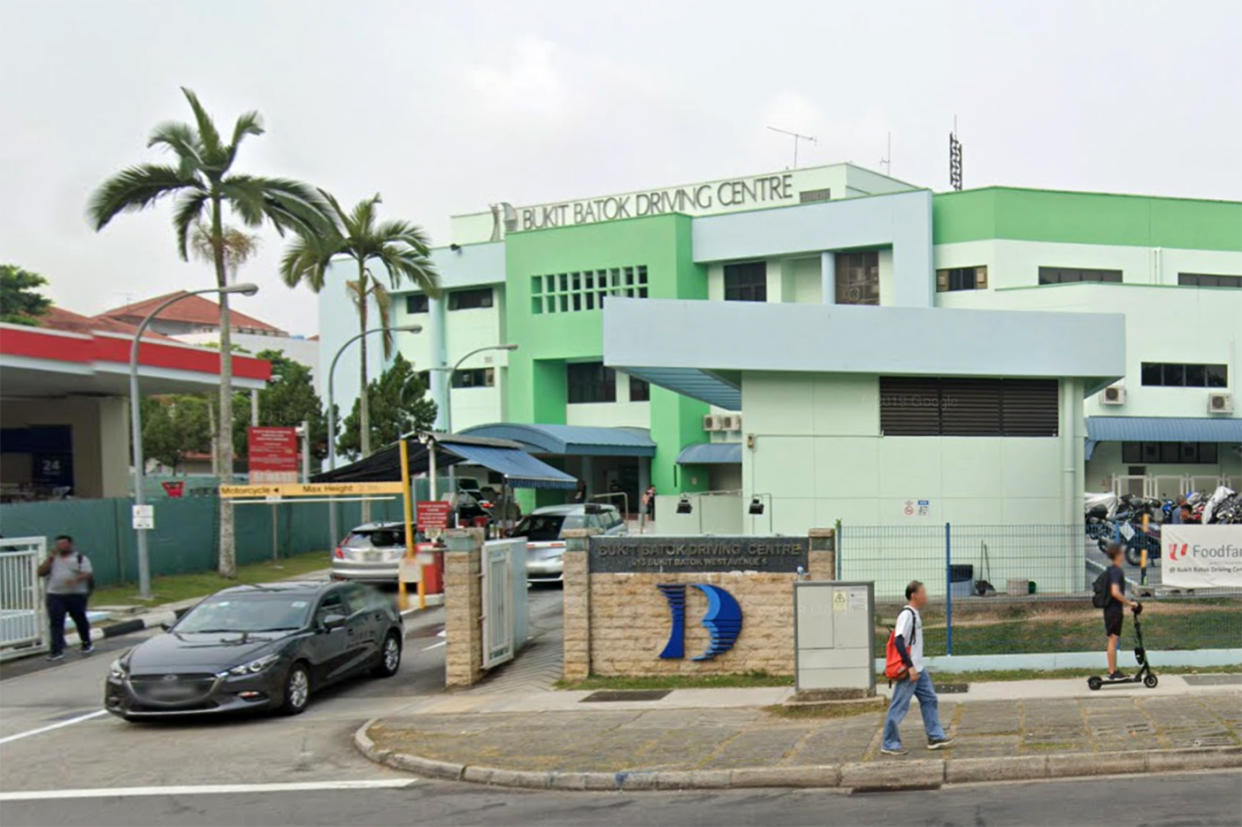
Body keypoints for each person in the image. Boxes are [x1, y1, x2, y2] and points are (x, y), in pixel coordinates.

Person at [881, 580, 952, 756]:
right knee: (898, 707)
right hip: (909, 671)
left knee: (930, 699)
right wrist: (910, 667)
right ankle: (889, 743)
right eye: (923, 592)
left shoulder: (915, 614)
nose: (926, 596)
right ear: (914, 595)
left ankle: (935, 736)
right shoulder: (907, 615)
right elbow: (899, 640)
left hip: (919, 670)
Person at [37, 534, 94, 661]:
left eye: (64, 544)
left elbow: (88, 574)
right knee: (56, 623)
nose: (61, 547)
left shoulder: (80, 558)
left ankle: (86, 642)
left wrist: (76, 580)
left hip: (76, 595)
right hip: (55, 595)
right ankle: (56, 651)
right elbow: (40, 572)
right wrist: (49, 559)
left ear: (70, 545)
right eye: (58, 544)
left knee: (80, 620)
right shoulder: (53, 559)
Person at [1102, 542, 1140, 679]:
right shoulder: (1117, 571)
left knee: (1112, 638)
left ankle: (1113, 669)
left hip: (1109, 609)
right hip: (1114, 609)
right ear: (1118, 555)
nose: (1124, 555)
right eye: (1122, 553)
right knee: (1113, 639)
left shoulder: (1111, 569)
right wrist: (1130, 603)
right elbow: (1115, 592)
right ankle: (1112, 671)